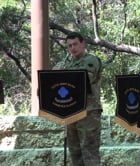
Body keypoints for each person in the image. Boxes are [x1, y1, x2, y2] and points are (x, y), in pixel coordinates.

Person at [53, 32, 103, 166]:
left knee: (89, 153)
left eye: (75, 44)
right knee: (75, 153)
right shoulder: (67, 65)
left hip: (89, 112)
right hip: (71, 112)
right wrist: (54, 75)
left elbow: (84, 79)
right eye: (69, 46)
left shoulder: (91, 60)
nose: (72, 48)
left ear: (83, 43)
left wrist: (63, 74)